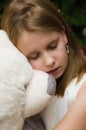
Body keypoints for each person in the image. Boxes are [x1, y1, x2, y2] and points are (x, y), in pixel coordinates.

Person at [1, 0, 86, 130]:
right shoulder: (28, 98)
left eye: (52, 46)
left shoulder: (82, 87)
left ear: (63, 35)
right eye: (34, 56)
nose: (49, 61)